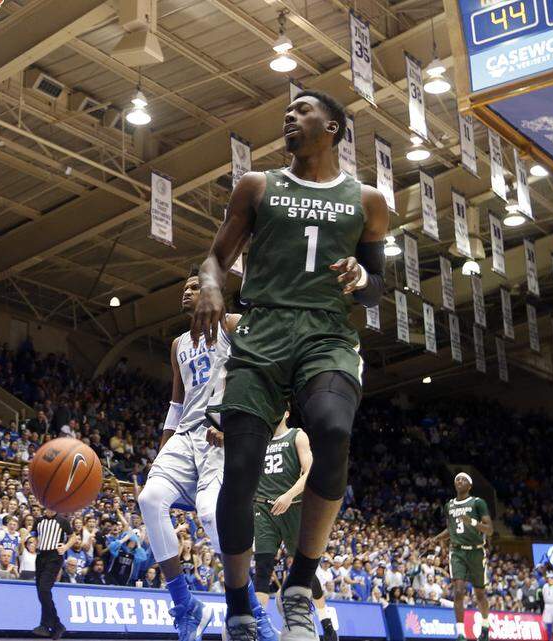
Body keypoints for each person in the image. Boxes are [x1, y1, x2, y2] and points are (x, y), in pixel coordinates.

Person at [191, 90, 389, 641]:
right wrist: (210, 286)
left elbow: (376, 289)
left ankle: (299, 586)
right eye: (289, 110)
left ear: (333, 129)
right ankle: (238, 606)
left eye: (304, 110)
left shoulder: (367, 199)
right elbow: (215, 258)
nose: (291, 116)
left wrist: (361, 277)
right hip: (263, 328)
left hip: (326, 333)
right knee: (242, 471)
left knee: (331, 430)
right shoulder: (257, 185)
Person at [138, 266, 246, 641]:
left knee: (209, 514)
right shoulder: (178, 344)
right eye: (184, 287)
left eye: (195, 286)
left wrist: (231, 421)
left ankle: (245, 606)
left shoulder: (232, 325)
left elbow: (258, 373)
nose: (187, 291)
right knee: (149, 498)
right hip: (186, 435)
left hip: (222, 434)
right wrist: (163, 447)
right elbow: (176, 402)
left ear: (213, 292)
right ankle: (186, 606)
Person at [245, 412, 337, 641]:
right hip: (263, 509)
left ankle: (326, 624)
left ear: (286, 413)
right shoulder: (259, 440)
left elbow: (310, 472)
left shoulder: (297, 435)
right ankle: (258, 628)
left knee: (305, 569)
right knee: (262, 568)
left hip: (293, 506)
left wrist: (288, 495)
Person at [424, 473, 494, 641]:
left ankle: (485, 626)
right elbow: (451, 530)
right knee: (458, 591)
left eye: (463, 479)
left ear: (469, 485)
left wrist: (472, 522)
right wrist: (435, 539)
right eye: (457, 480)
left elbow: (490, 529)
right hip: (457, 552)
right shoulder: (449, 505)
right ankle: (461, 633)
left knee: (480, 595)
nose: (459, 481)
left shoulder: (478, 503)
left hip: (476, 552)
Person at [34, 509, 77, 639]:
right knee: (41, 592)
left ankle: (55, 624)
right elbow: (36, 535)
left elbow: (73, 537)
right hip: (41, 555)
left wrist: (65, 547)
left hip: (54, 556)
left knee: (44, 590)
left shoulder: (62, 521)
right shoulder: (39, 520)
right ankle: (47, 625)